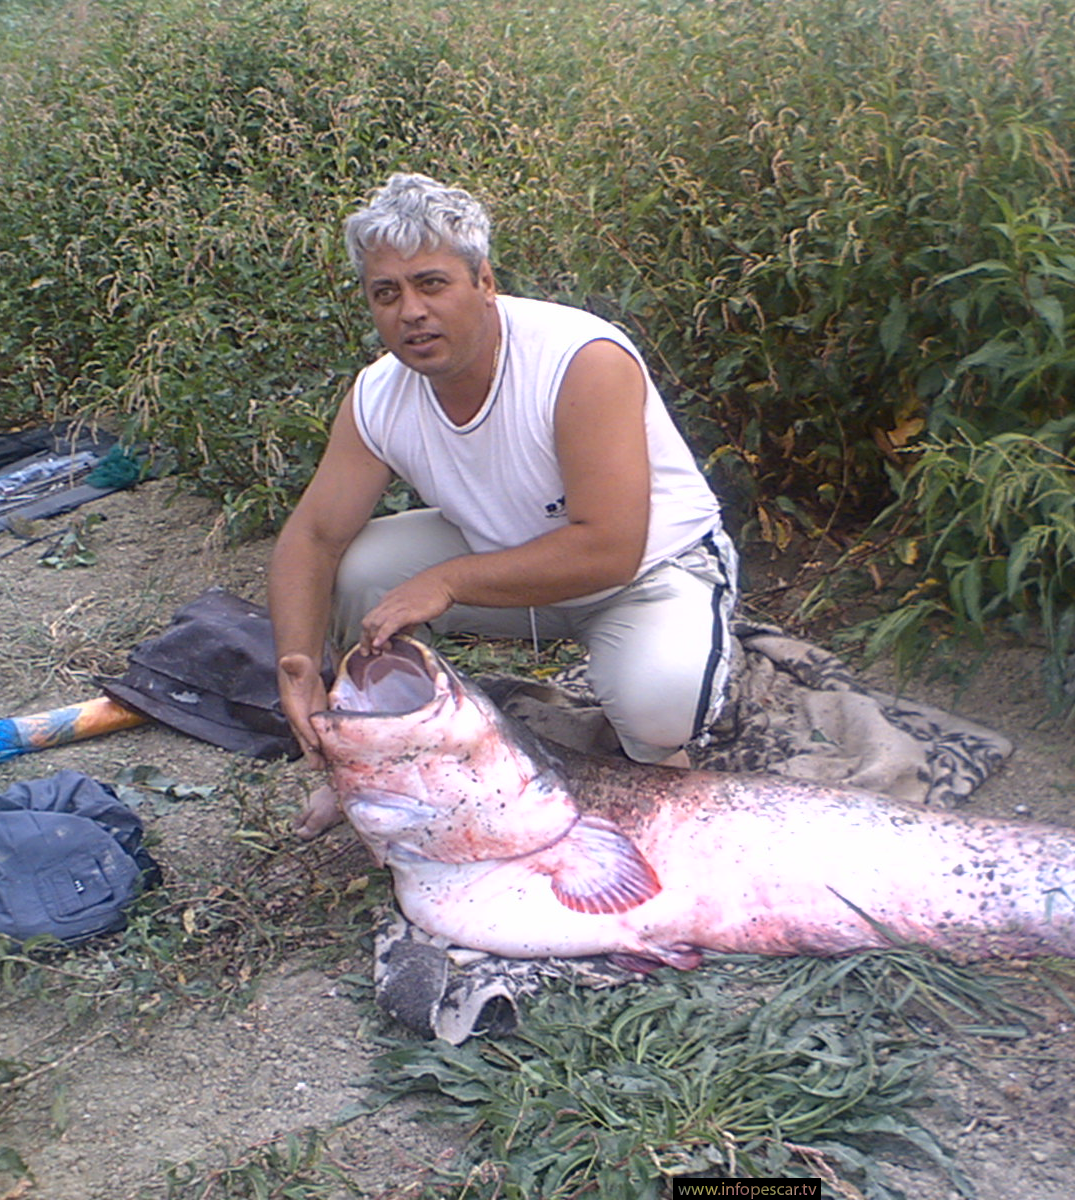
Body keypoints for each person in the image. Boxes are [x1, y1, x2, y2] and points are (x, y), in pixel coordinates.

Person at [269, 173, 737, 836]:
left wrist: (446, 581)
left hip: (647, 572)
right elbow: (313, 537)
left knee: (658, 704)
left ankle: (659, 770)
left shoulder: (579, 359)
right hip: (507, 560)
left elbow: (608, 548)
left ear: (484, 282)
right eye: (386, 293)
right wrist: (296, 663)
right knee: (359, 568)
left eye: (432, 283)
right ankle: (385, 762)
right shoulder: (379, 394)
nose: (411, 311)